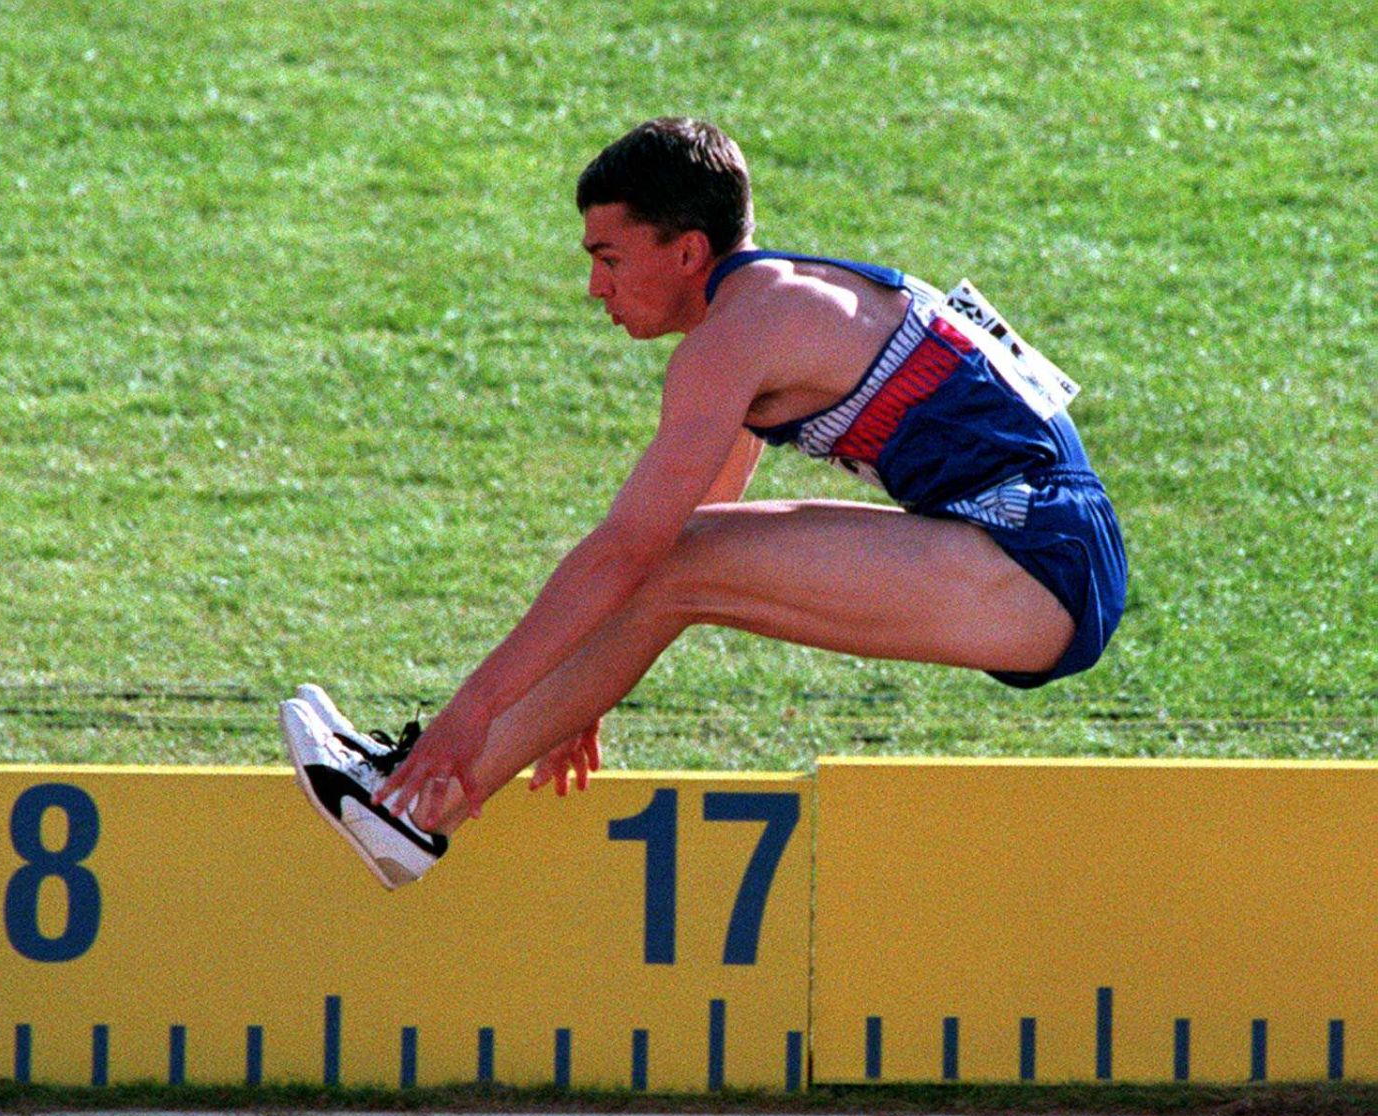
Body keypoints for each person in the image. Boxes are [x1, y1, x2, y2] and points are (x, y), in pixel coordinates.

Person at [280, 116, 1126, 889]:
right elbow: (692, 531)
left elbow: (630, 551)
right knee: (681, 564)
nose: (594, 290)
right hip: (1037, 544)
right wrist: (578, 696)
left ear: (687, 251)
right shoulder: (774, 304)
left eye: (609, 259)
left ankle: (418, 798)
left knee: (667, 565)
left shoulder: (736, 338)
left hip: (1038, 557)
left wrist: (473, 714)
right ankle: (412, 799)